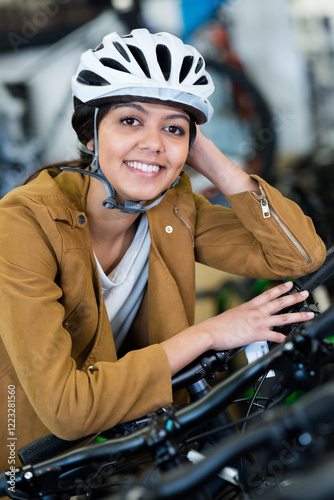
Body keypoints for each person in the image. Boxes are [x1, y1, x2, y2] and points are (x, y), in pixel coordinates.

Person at [0, 28, 326, 472]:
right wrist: (210, 333)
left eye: (173, 128)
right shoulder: (22, 223)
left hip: (131, 445)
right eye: (130, 121)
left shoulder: (173, 210)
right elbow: (68, 408)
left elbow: (298, 256)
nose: (153, 143)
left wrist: (211, 159)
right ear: (92, 136)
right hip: (25, 456)